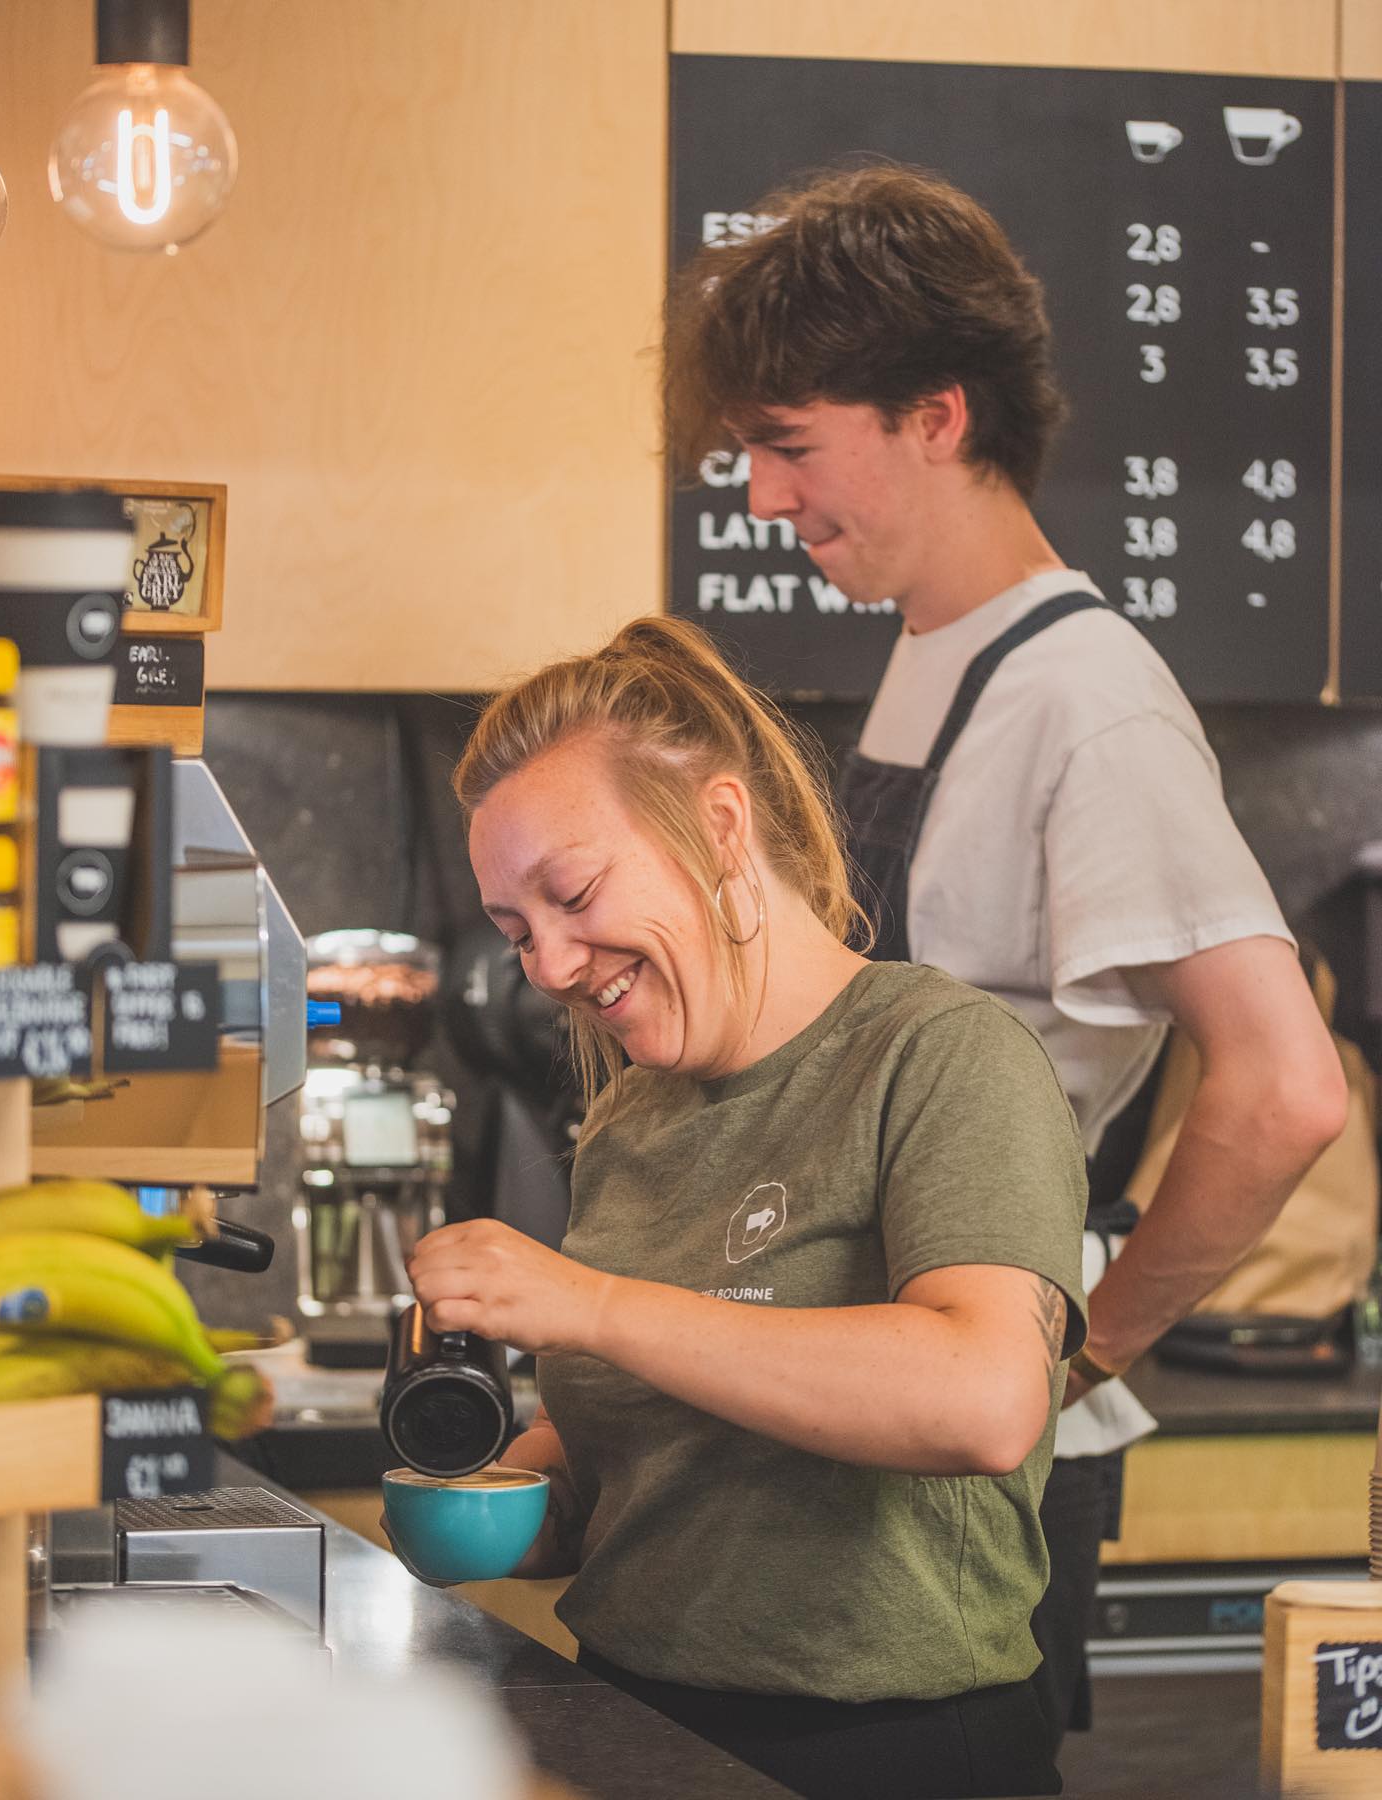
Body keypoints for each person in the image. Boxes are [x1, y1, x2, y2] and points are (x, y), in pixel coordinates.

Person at [662, 162, 1350, 1745]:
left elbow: (1282, 1086)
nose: (763, 499)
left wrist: (1079, 1344)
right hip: (864, 1394)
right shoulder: (932, 652)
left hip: (973, 1447)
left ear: (938, 417)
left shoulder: (1088, 699)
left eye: (788, 447)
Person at [406, 614, 1089, 1800]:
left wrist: (594, 1305)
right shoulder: (633, 1115)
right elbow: (649, 1449)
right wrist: (514, 1501)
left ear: (720, 827)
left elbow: (982, 1400)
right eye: (519, 933)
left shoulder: (939, 1056)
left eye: (572, 895)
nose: (552, 967)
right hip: (631, 1718)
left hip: (890, 1754)